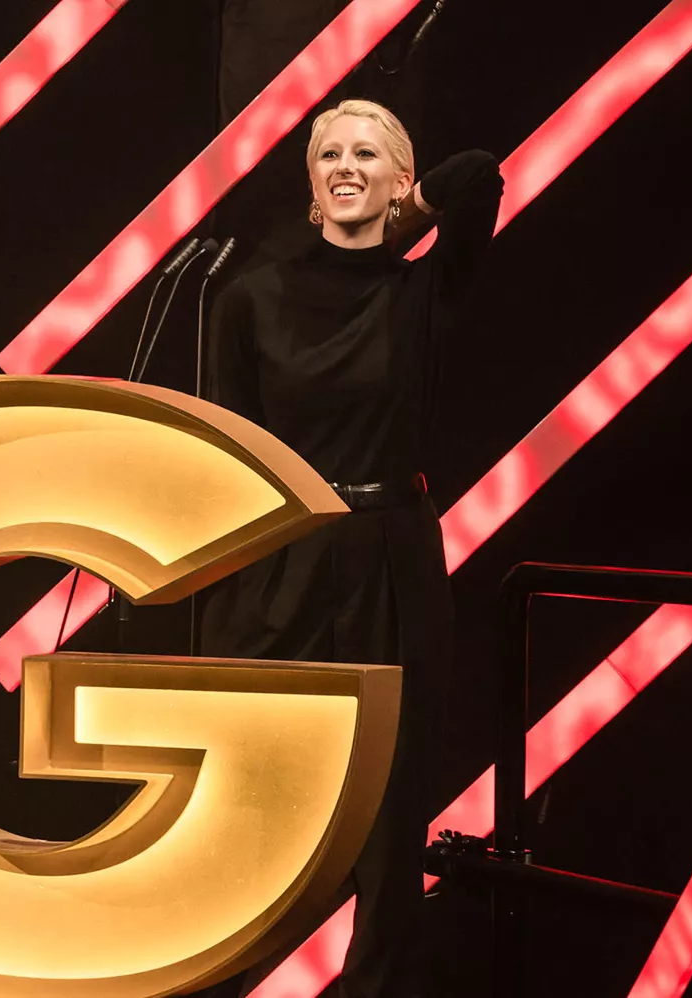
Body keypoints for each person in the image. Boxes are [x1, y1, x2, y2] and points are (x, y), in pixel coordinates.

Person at [197, 98, 503, 998]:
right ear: (309, 182)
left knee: (391, 812)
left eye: (367, 154)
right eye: (329, 154)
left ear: (400, 178)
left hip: (391, 559)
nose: (344, 166)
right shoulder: (249, 295)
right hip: (283, 556)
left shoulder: (422, 291)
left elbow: (478, 174)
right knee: (253, 796)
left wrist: (406, 217)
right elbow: (227, 452)